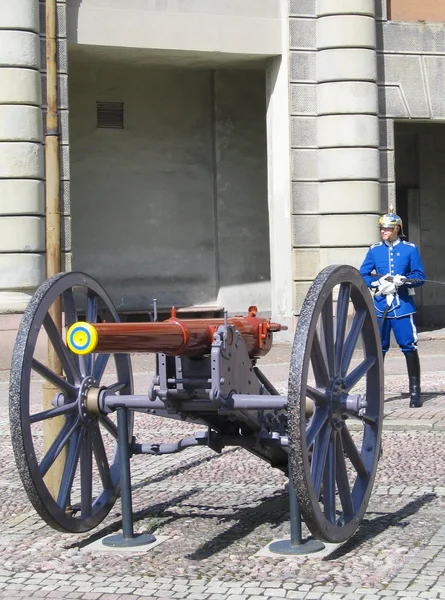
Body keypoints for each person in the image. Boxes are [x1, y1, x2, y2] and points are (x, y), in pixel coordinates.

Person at [359, 208, 426, 408]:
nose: (384, 231)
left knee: (409, 347)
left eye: (387, 228)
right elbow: (363, 273)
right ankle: (375, 393)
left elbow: (419, 277)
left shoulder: (410, 249)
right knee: (378, 349)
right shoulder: (375, 250)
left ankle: (415, 392)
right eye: (382, 228)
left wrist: (403, 281)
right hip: (380, 306)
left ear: (397, 229)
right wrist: (376, 284)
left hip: (402, 306)